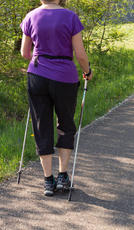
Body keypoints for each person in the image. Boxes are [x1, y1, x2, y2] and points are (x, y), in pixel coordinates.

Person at [20, 0, 93, 196]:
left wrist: (41, 62)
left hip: (37, 76)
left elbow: (24, 53)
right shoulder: (70, 17)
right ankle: (62, 177)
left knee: (41, 124)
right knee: (65, 124)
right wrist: (88, 71)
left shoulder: (30, 16)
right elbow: (80, 55)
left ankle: (47, 180)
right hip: (65, 78)